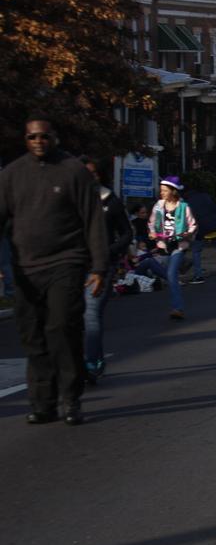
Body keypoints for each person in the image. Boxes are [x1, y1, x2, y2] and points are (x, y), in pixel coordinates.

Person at [0, 116, 107, 425]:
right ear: (25, 139)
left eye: (44, 137)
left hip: (66, 262)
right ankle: (42, 403)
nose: (38, 142)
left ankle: (70, 399)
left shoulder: (73, 171)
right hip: (25, 267)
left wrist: (99, 266)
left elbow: (92, 221)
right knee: (33, 336)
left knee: (61, 329)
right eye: (32, 137)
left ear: (54, 137)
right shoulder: (12, 175)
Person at [79, 156, 131, 383]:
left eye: (94, 174)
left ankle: (91, 363)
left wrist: (110, 251)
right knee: (85, 317)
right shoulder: (71, 200)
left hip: (101, 266)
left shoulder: (110, 200)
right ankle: (95, 357)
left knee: (91, 314)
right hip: (75, 264)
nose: (89, 179)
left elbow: (127, 234)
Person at [147, 176, 198, 319]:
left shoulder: (183, 207)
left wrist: (186, 234)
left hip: (179, 245)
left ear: (173, 191)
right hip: (164, 245)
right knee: (170, 274)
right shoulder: (158, 205)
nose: (161, 193)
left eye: (165, 190)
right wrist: (152, 232)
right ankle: (183, 265)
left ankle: (178, 308)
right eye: (161, 190)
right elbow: (151, 222)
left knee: (170, 274)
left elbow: (193, 225)